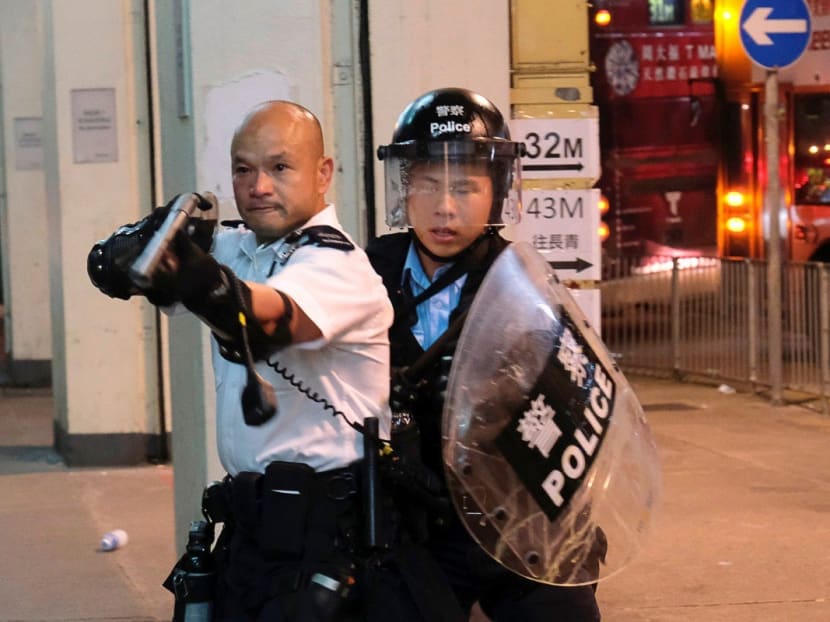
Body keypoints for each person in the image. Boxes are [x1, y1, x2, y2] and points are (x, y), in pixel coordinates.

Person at [88, 100, 417, 621]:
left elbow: (267, 318)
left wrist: (194, 274)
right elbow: (119, 268)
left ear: (323, 173)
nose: (259, 186)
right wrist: (129, 251)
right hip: (249, 527)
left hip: (326, 536)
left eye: (280, 167)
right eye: (244, 169)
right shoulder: (239, 247)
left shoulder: (338, 263)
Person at [366, 87, 603, 621]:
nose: (444, 207)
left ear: (496, 192)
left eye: (465, 187)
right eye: (426, 184)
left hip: (512, 517)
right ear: (405, 188)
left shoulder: (523, 284)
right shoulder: (365, 273)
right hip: (411, 524)